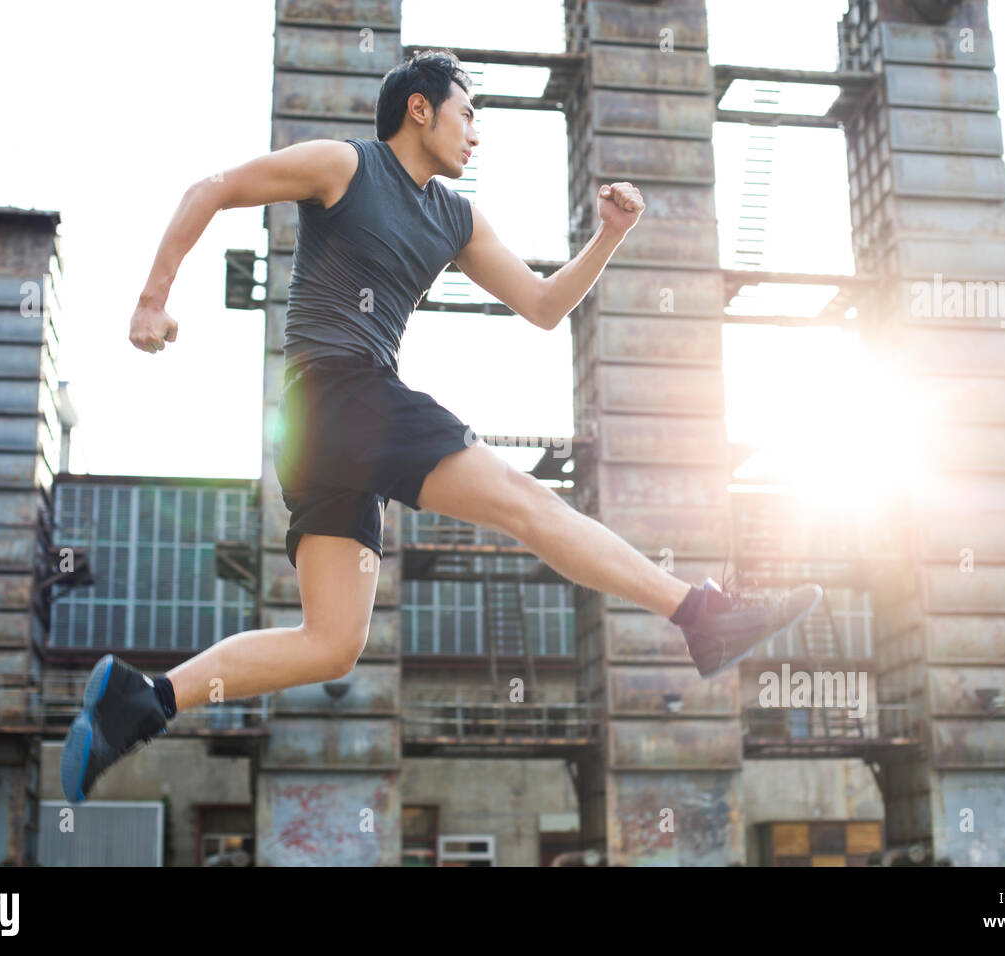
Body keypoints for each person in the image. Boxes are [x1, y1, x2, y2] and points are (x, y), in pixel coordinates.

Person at [61, 49, 821, 803]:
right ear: (419, 110)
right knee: (533, 504)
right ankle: (700, 613)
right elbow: (214, 188)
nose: (476, 134)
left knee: (332, 645)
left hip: (320, 436)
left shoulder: (455, 217)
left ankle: (143, 700)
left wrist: (610, 235)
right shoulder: (343, 166)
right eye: (467, 114)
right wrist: (152, 299)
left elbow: (544, 306)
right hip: (344, 393)